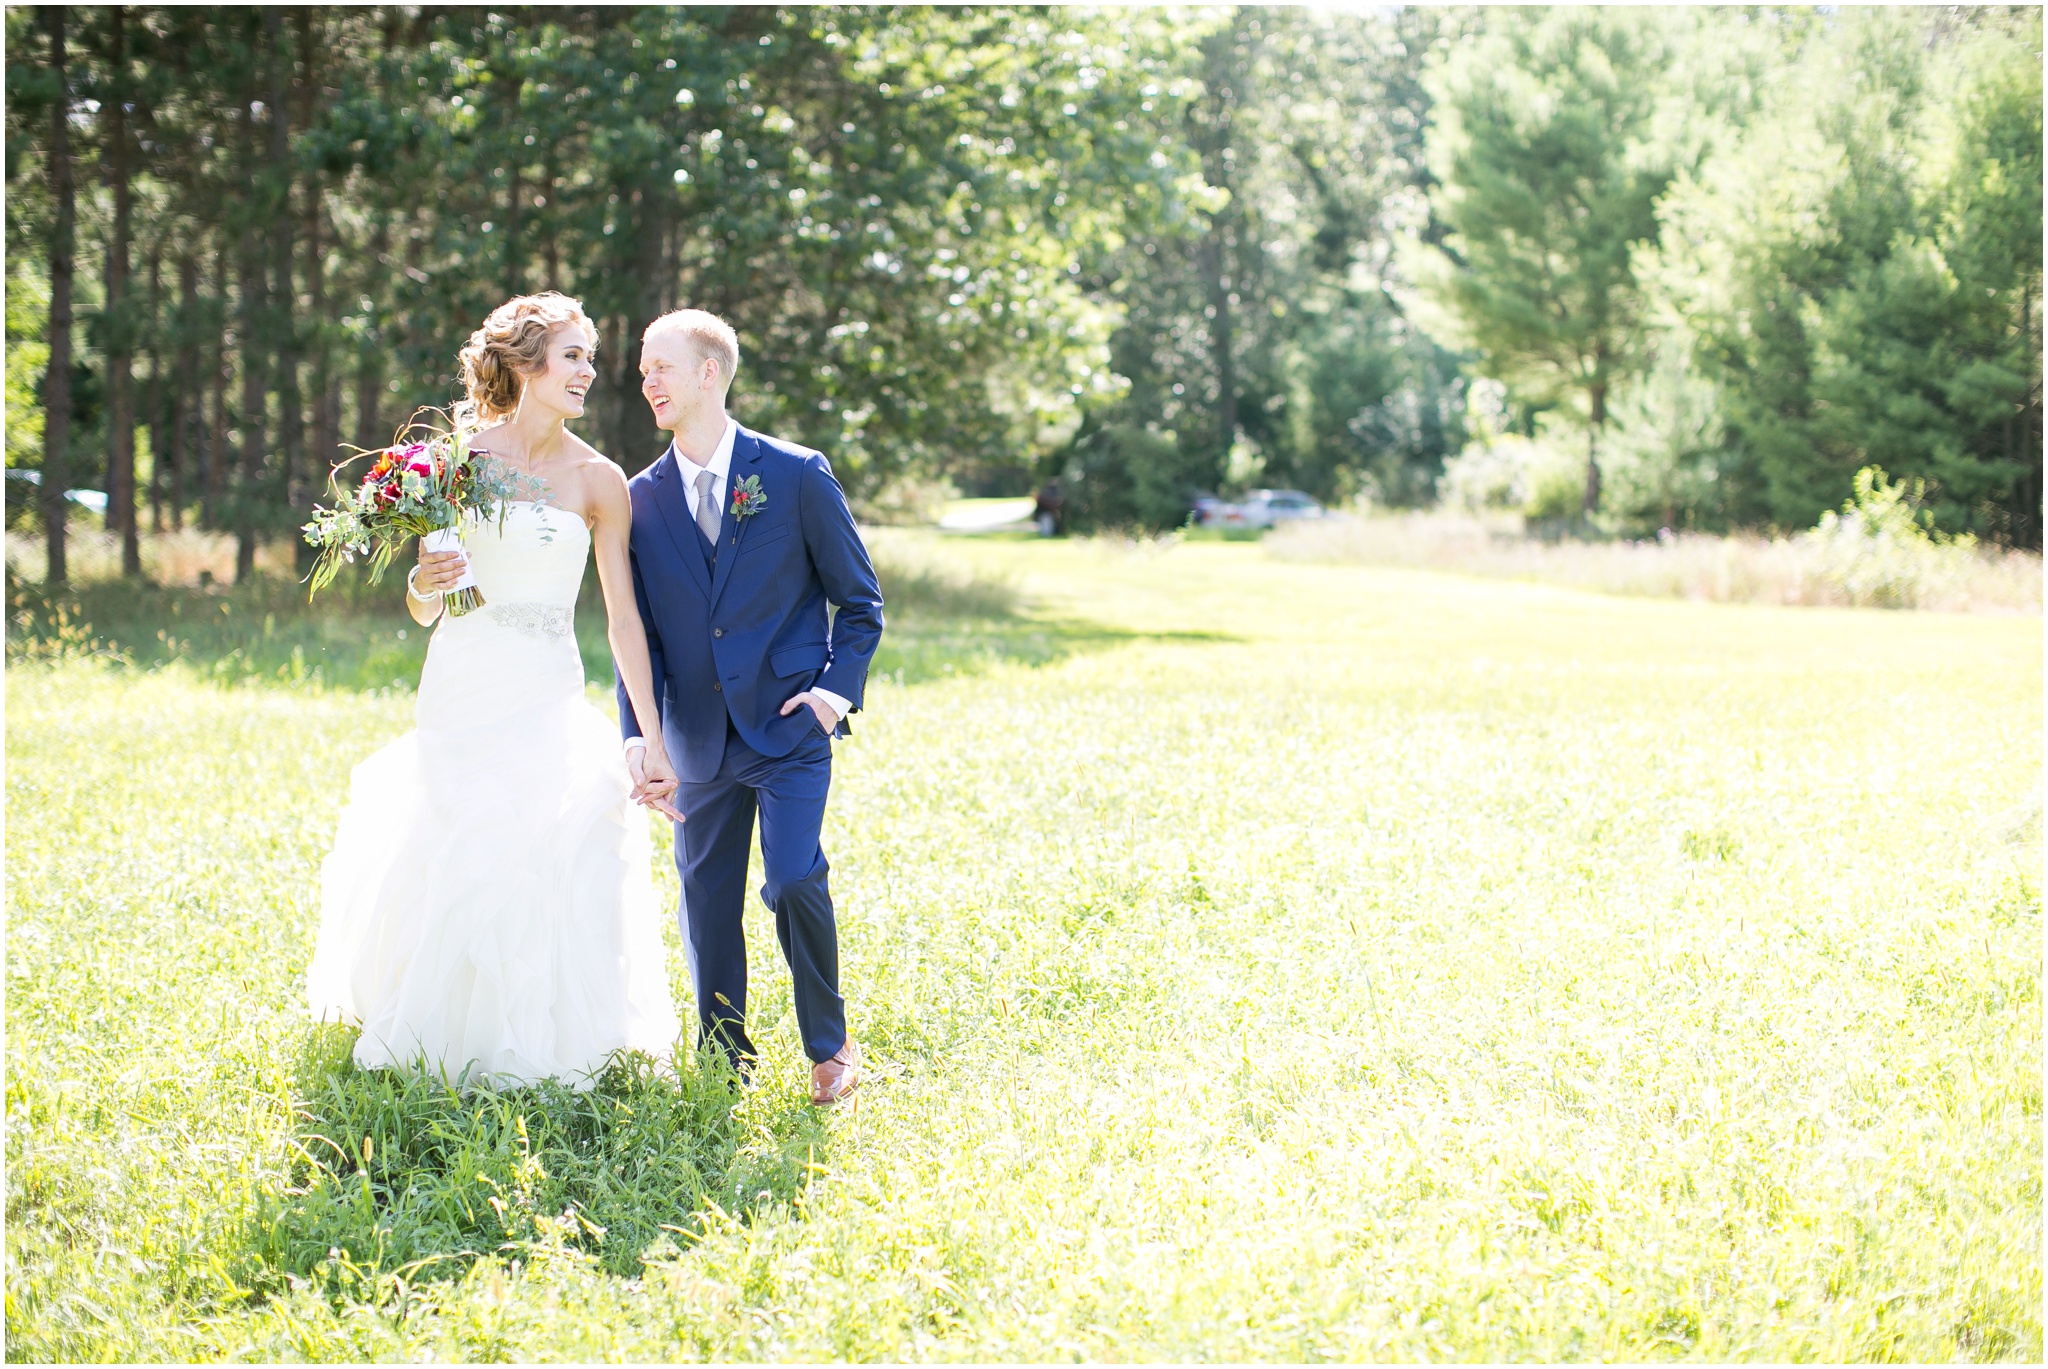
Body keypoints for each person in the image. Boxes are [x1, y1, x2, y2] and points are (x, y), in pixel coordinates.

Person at [306, 292, 683, 1088]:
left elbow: (623, 623)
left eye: (589, 356)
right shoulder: (457, 463)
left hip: (545, 685)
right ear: (524, 363)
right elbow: (424, 607)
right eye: (573, 355)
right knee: (460, 838)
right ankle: (440, 1026)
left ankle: (536, 1038)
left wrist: (649, 734)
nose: (589, 370)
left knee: (544, 845)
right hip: (462, 679)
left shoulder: (599, 480)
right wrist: (421, 579)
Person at [619, 309, 884, 1105]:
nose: (647, 381)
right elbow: (642, 638)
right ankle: (724, 1056)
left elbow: (860, 603)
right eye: (642, 370)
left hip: (790, 730)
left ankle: (829, 1045)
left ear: (710, 372)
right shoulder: (640, 498)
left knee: (795, 878)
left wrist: (833, 696)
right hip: (695, 742)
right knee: (705, 905)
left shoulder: (797, 474)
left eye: (662, 366)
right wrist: (641, 737)